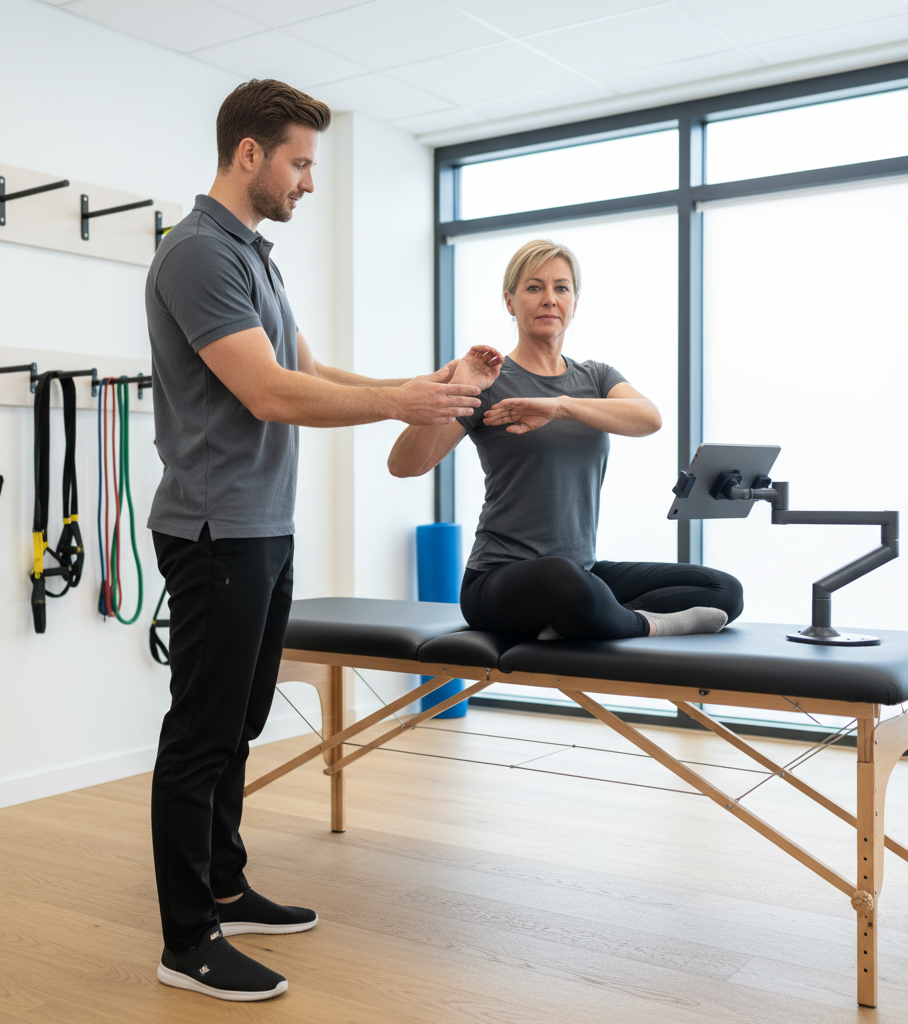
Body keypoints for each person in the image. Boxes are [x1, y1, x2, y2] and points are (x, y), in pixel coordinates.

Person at [145, 79, 481, 1003]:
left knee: (243, 719)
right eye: (300, 162)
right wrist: (399, 404)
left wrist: (429, 385)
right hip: (217, 530)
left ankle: (223, 882)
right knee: (202, 733)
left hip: (264, 526)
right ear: (248, 154)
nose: (308, 181)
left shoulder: (255, 255)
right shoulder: (195, 255)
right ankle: (187, 941)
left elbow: (309, 370)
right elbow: (269, 394)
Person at [388, 238, 742, 642]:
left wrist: (560, 407)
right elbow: (404, 465)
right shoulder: (489, 381)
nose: (549, 300)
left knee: (723, 590)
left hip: (581, 571)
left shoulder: (595, 377)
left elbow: (649, 418)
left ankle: (586, 617)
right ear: (510, 301)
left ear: (575, 301)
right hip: (497, 580)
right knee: (562, 579)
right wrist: (456, 389)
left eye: (561, 288)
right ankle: (644, 623)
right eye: (534, 287)